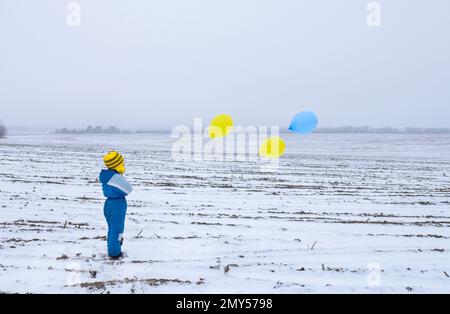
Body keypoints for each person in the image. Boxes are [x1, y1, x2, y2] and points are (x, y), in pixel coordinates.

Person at [99, 151, 132, 259]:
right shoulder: (114, 177)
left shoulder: (106, 176)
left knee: (112, 229)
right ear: (117, 164)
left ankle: (112, 249)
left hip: (109, 204)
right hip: (116, 205)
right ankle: (115, 254)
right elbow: (128, 189)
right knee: (117, 230)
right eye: (121, 162)